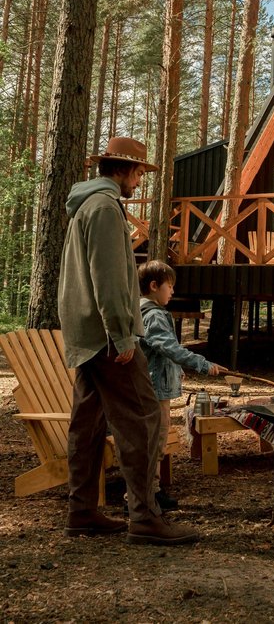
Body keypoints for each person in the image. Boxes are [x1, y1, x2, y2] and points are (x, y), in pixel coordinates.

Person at [58, 136, 199, 545]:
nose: (140, 180)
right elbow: (109, 279)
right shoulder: (103, 208)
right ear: (124, 169)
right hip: (106, 335)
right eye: (139, 172)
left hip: (88, 333)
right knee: (143, 419)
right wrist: (121, 335)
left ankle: (81, 511)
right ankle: (145, 517)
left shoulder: (87, 205)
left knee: (86, 425)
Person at [138, 259, 226, 510]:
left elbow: (159, 352)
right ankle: (144, 496)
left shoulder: (147, 312)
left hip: (155, 386)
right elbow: (169, 347)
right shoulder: (153, 315)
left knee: (157, 440)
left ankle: (151, 491)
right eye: (170, 286)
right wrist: (201, 363)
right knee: (153, 442)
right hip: (152, 391)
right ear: (154, 286)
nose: (173, 291)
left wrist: (176, 370)